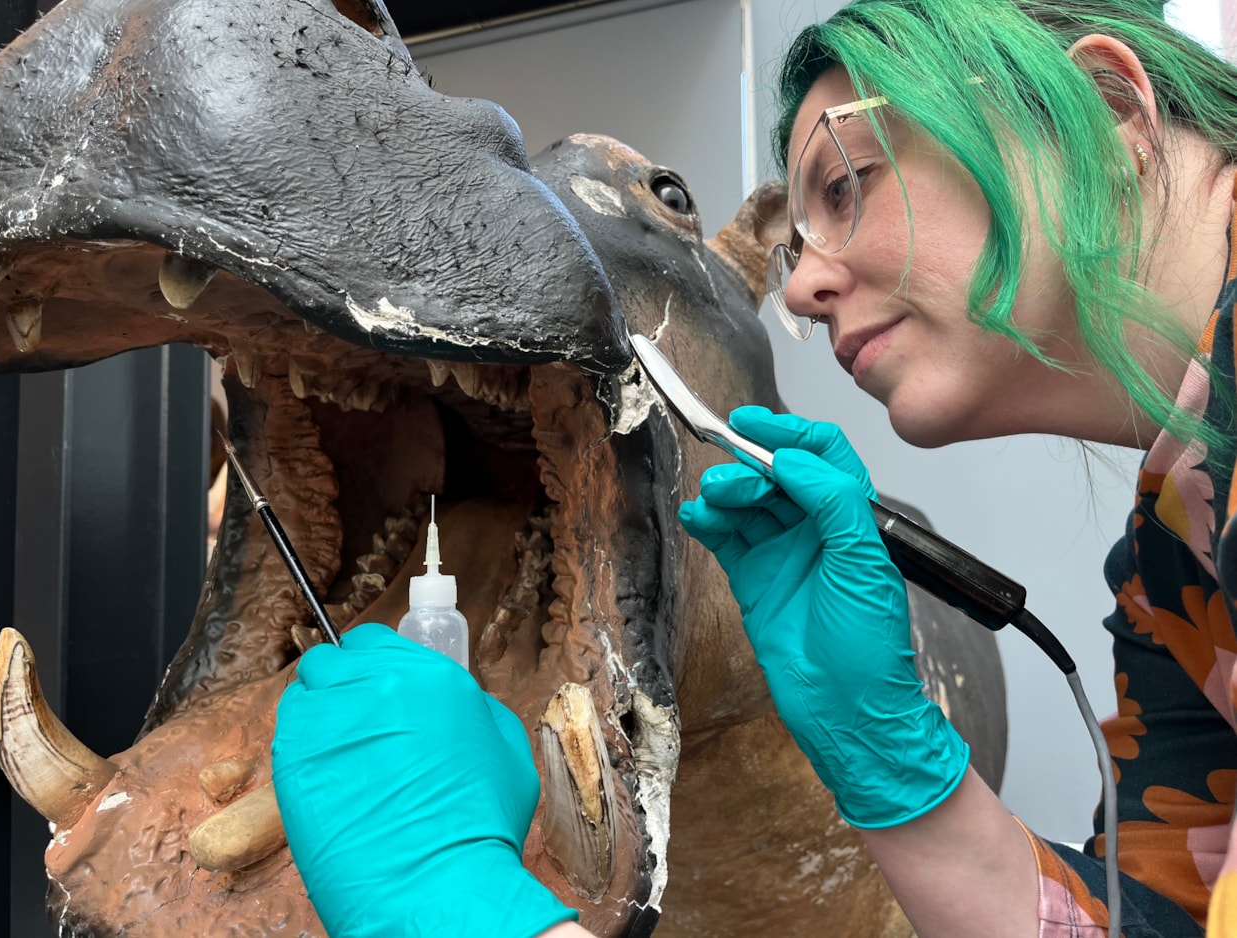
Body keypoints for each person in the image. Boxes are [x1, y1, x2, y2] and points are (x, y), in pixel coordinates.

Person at [270, 0, 1237, 935]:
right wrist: (891, 763)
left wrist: (457, 913)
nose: (807, 289)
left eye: (847, 184)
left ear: (1104, 115)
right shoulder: (1173, 565)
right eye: (796, 245)